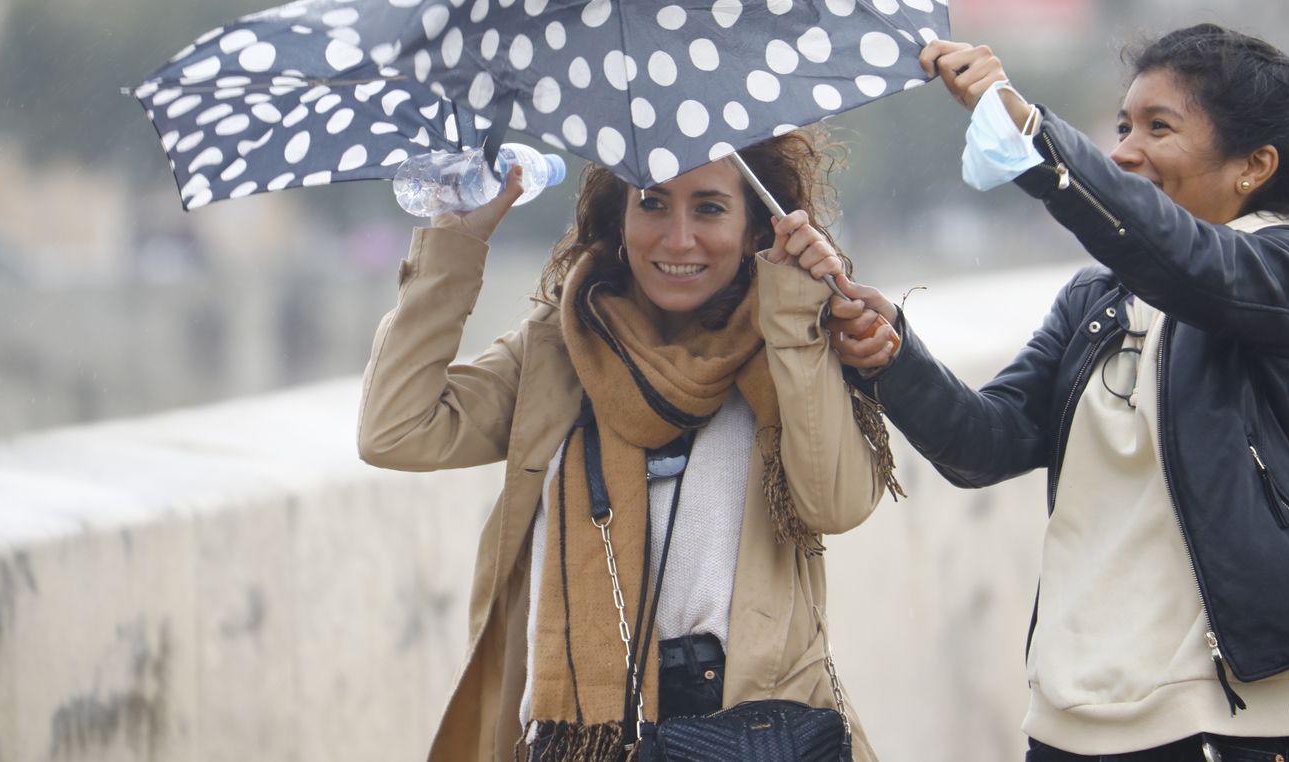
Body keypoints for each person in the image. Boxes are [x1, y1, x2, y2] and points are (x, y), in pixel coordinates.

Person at [829, 25, 1289, 762]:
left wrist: (1029, 131)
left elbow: (1187, 263)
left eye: (1159, 127)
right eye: (1123, 126)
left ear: (1254, 165)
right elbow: (984, 443)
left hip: (1223, 715)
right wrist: (893, 352)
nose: (1124, 150)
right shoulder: (1097, 296)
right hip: (1069, 717)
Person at [359, 128, 895, 762]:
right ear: (619, 217)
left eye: (710, 208)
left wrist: (798, 316)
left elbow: (836, 504)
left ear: (758, 226)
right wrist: (457, 242)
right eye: (653, 202)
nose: (678, 238)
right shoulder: (558, 352)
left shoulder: (788, 347)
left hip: (755, 736)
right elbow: (396, 429)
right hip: (585, 741)